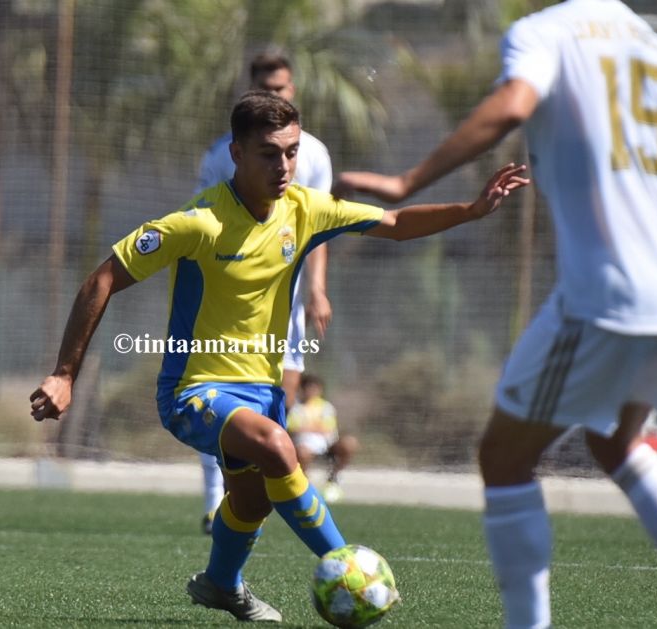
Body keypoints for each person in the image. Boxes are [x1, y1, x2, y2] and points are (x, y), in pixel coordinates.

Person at [336, 1, 657, 627]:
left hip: (606, 295)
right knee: (616, 443)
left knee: (504, 459)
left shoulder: (544, 33)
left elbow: (514, 104)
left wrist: (409, 181)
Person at [30, 90, 528, 622]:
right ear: (237, 153)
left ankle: (221, 584)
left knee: (252, 500)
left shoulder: (305, 209)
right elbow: (102, 279)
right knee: (275, 445)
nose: (284, 166)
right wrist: (65, 375)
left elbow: (396, 224)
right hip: (193, 391)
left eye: (291, 152)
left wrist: (472, 211)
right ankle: (347, 563)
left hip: (262, 392)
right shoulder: (199, 222)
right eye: (269, 153)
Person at [195, 52, 334, 535]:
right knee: (221, 403)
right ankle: (216, 502)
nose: (276, 95)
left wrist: (316, 288)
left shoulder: (313, 154)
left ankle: (249, 503)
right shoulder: (221, 154)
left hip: (285, 304)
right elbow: (203, 224)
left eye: (282, 88)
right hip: (229, 304)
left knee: (277, 407)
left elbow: (319, 227)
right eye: (266, 88)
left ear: (293, 89)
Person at [287, 373, 356, 503]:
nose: (312, 391)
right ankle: (304, 486)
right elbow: (294, 428)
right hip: (303, 446)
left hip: (326, 446)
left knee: (349, 443)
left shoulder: (326, 407)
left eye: (315, 388)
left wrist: (308, 427)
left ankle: (334, 478)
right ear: (302, 389)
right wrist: (316, 427)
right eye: (309, 387)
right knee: (303, 452)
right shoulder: (296, 408)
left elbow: (328, 428)